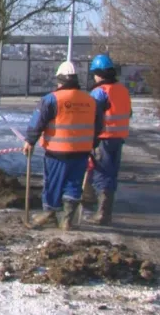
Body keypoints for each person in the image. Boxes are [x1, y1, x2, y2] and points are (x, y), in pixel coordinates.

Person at [22, 61, 102, 230]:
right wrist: (93, 143)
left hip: (57, 152)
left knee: (53, 183)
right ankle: (67, 219)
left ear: (59, 80)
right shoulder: (90, 101)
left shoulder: (51, 99)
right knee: (74, 184)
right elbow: (98, 125)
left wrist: (30, 141)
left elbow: (38, 122)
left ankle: (50, 214)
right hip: (82, 152)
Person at [84, 54, 132, 226]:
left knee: (101, 174)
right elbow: (129, 113)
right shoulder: (122, 90)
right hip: (117, 139)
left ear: (98, 73)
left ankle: (102, 214)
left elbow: (91, 115)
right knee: (110, 174)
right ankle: (105, 211)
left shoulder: (100, 92)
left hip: (103, 139)